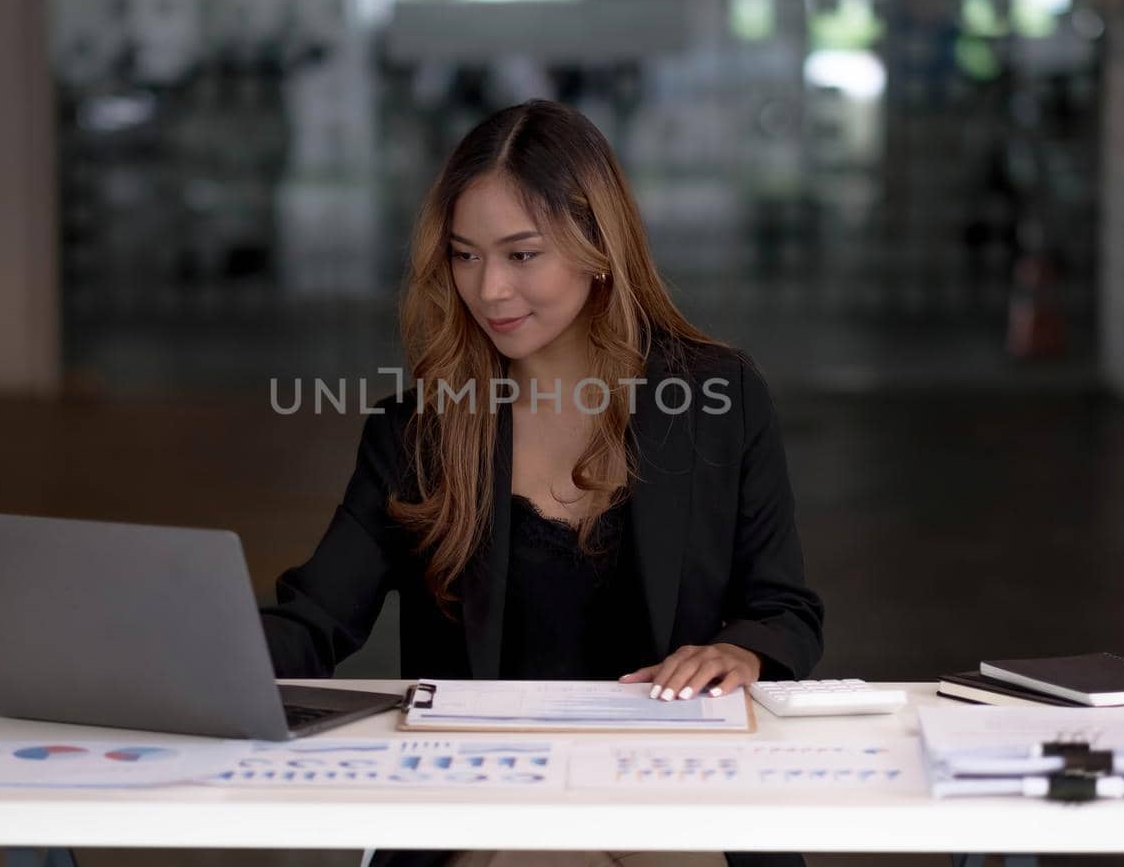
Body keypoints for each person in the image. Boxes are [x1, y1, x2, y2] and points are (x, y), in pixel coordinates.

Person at [260, 99, 824, 867]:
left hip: (672, 784)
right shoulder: (420, 430)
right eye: (464, 254)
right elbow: (314, 621)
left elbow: (783, 608)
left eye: (521, 255)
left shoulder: (716, 399)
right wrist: (181, 662)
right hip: (484, 801)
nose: (489, 289)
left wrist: (742, 652)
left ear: (598, 244)